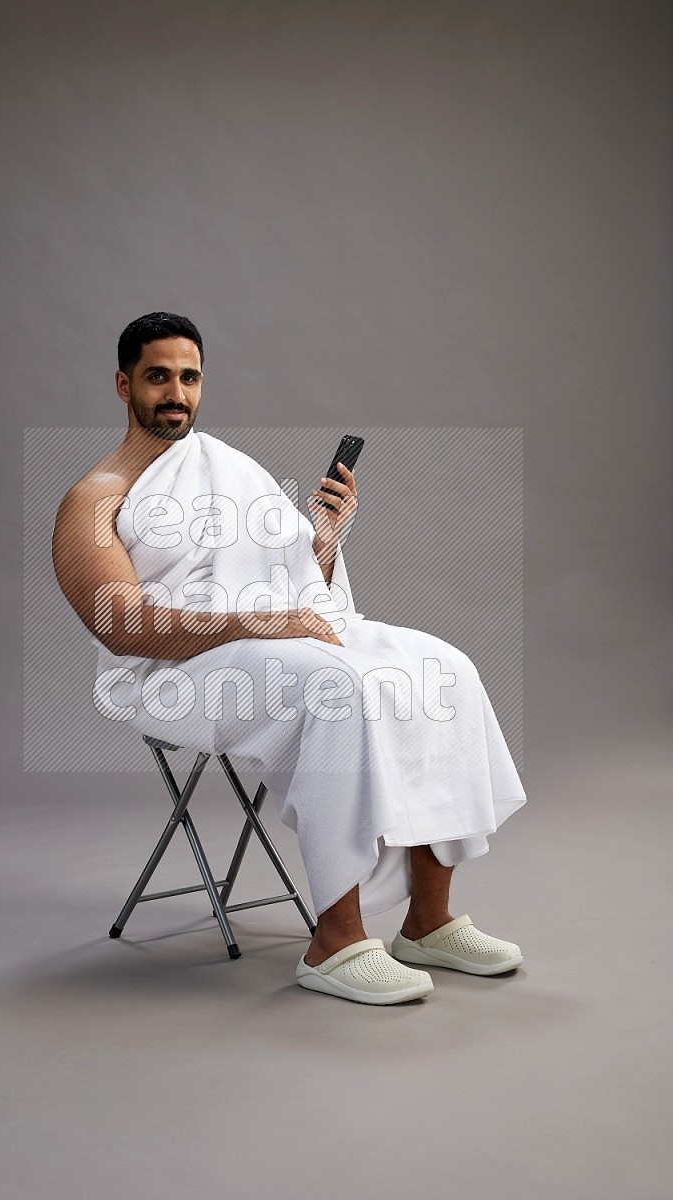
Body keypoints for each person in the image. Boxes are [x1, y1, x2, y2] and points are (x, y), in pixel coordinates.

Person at [52, 311, 527, 1006]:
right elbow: (123, 628)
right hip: (174, 672)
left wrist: (325, 542)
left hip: (269, 640)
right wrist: (264, 621)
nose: (176, 393)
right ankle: (335, 940)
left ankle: (428, 922)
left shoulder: (225, 468)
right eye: (158, 377)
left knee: (443, 669)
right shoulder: (93, 499)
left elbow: (290, 583)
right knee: (335, 687)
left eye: (189, 377)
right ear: (124, 384)